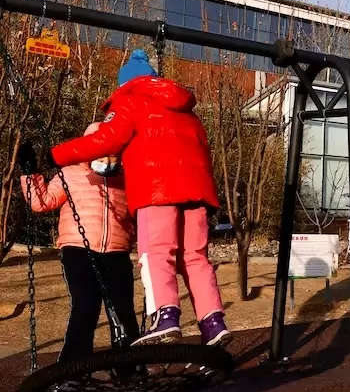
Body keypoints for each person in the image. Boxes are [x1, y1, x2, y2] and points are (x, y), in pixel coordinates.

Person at [45, 49, 231, 347]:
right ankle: (213, 322)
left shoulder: (130, 100)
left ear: (126, 84)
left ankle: (165, 315)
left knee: (156, 252)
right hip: (197, 192)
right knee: (195, 257)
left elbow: (105, 139)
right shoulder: (188, 111)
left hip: (157, 190)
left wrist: (56, 155)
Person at [18, 122, 140, 362]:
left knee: (122, 310)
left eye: (113, 153)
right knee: (86, 305)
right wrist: (30, 172)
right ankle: (73, 367)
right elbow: (41, 202)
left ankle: (129, 367)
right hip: (78, 250)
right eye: (101, 152)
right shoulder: (71, 173)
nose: (107, 159)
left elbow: (140, 213)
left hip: (117, 251)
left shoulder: (127, 177)